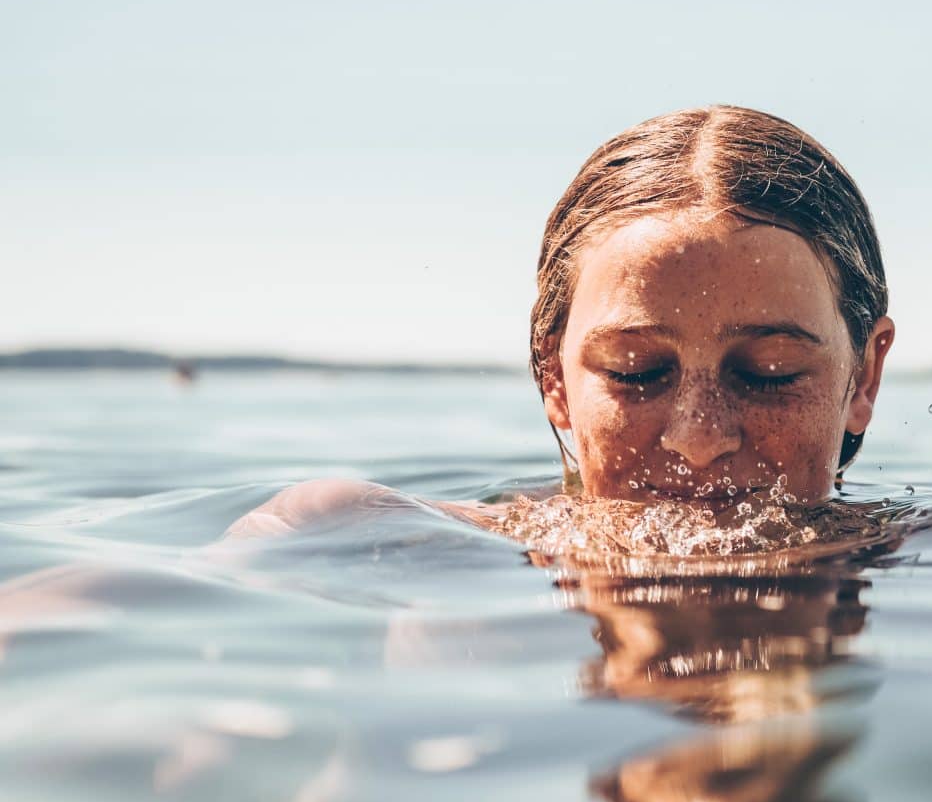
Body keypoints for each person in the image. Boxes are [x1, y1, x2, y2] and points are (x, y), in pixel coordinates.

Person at [226, 105, 897, 544]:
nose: (699, 437)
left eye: (767, 372)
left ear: (863, 378)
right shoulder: (371, 535)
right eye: (637, 372)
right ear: (554, 378)